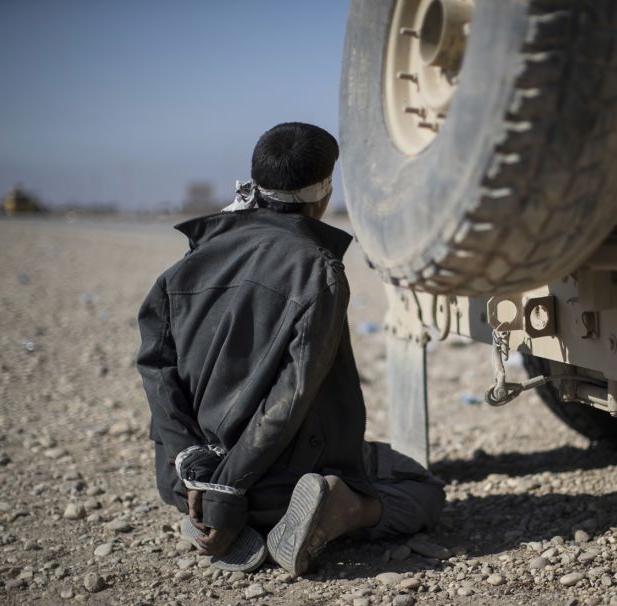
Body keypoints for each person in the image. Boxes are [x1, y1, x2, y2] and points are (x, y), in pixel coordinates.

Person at [136, 122, 446, 576]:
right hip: (270, 483)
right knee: (423, 487)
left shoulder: (181, 269)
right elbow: (291, 396)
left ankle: (226, 528)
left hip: (187, 487)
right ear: (323, 193)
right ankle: (339, 511)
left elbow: (156, 372)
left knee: (252, 477)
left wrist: (193, 468)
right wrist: (227, 489)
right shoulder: (317, 269)